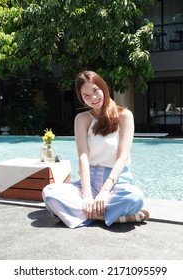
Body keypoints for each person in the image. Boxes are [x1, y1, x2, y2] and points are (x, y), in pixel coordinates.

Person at [42, 70, 149, 229]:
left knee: (135, 198)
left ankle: (81, 214)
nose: (93, 98)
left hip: (116, 183)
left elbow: (122, 157)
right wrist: (87, 196)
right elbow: (83, 157)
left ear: (103, 87)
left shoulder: (124, 116)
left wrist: (105, 192)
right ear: (81, 99)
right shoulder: (82, 119)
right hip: (89, 183)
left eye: (95, 90)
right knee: (49, 193)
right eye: (86, 95)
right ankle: (115, 217)